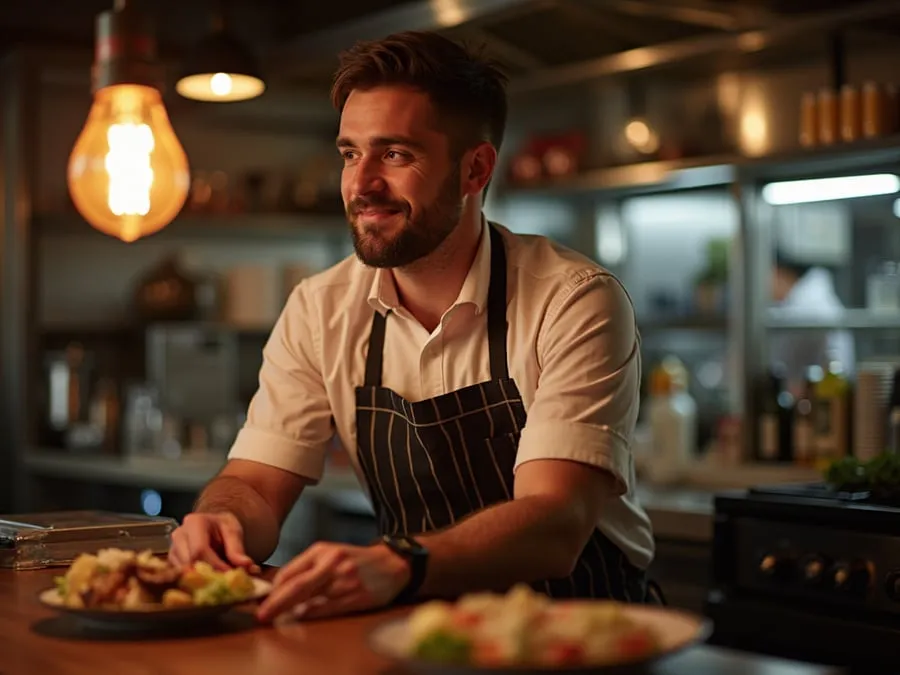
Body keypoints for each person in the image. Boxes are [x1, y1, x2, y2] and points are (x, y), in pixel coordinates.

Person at [168, 30, 655, 622]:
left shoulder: (572, 301)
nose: (361, 183)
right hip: (419, 633)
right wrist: (223, 519)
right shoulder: (319, 309)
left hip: (581, 637)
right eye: (350, 154)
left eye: (395, 154)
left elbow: (557, 522)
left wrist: (401, 562)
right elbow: (256, 482)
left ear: (475, 169)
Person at [769, 249, 855, 389]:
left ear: (777, 272)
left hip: (830, 392)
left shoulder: (808, 304)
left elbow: (780, 361)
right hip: (825, 387)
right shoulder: (801, 299)